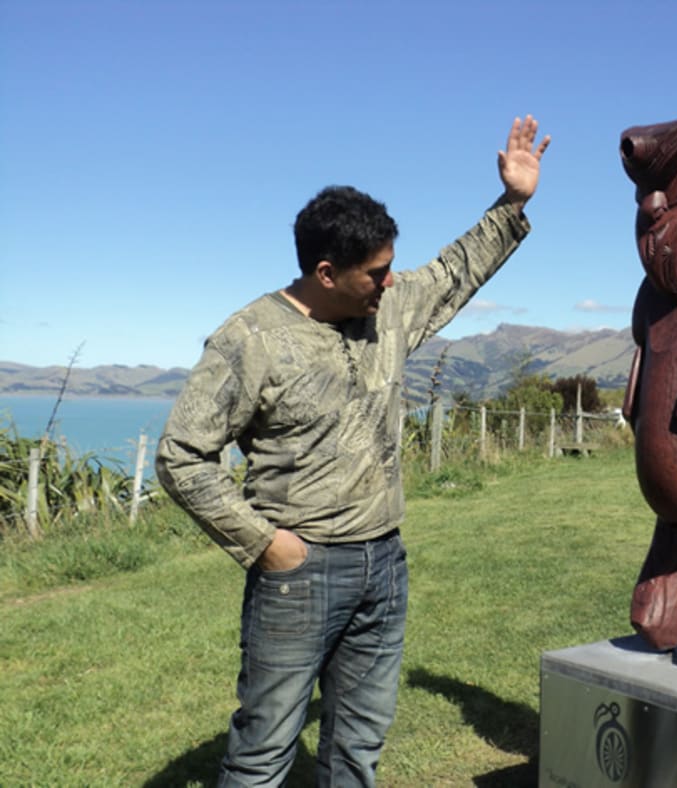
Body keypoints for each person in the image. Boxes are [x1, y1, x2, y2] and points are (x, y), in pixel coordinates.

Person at [155, 116, 550, 787]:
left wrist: (513, 203)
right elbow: (182, 457)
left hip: (384, 564)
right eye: (378, 272)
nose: (392, 282)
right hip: (298, 574)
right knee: (261, 754)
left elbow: (455, 272)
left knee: (357, 746)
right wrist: (264, 543)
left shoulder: (385, 311)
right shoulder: (250, 339)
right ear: (326, 271)